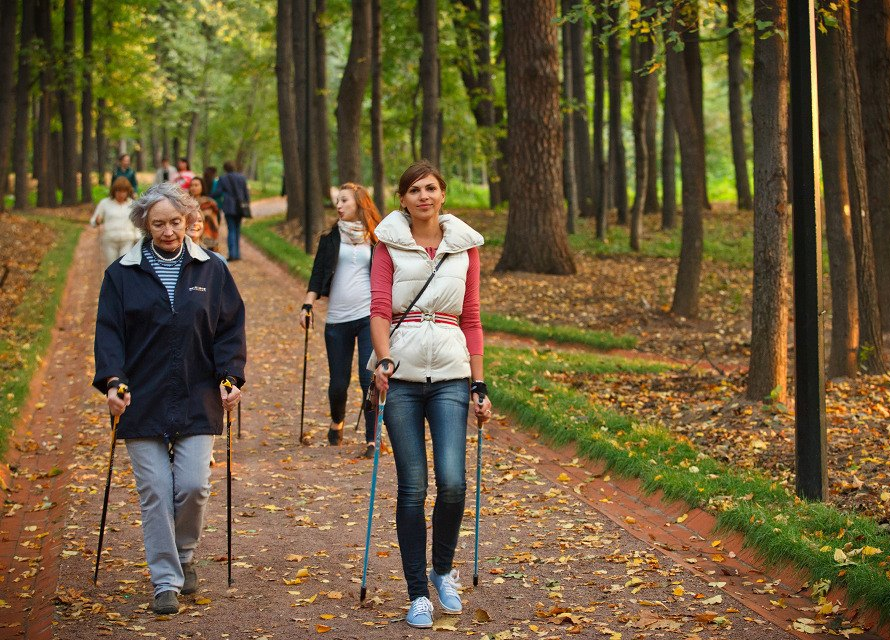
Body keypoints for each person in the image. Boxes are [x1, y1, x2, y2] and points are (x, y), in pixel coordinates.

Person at [92, 183, 246, 615]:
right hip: (140, 396)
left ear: (188, 221)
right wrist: (111, 382)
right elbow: (109, 334)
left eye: (175, 222)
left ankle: (186, 555)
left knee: (194, 486)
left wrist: (231, 375)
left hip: (198, 394)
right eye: (158, 223)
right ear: (144, 224)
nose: (168, 231)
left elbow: (230, 327)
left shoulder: (211, 269)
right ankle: (165, 580)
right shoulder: (121, 274)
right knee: (156, 490)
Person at [369, 161, 492, 628]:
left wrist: (479, 384)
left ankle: (443, 571)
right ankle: (417, 593)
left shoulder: (464, 249)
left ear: (443, 195)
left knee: (454, 481)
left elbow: (473, 319)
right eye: (414, 190)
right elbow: (380, 308)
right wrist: (383, 358)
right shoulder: (388, 246)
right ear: (403, 199)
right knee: (413, 487)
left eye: (431, 188)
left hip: (451, 376)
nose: (423, 196)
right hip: (400, 378)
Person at [300, 183, 381, 457]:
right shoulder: (330, 238)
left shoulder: (376, 237)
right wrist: (307, 304)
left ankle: (372, 438)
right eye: (337, 201)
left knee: (368, 377)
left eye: (344, 200)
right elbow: (317, 274)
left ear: (359, 203)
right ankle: (337, 421)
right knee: (338, 383)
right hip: (337, 319)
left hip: (368, 316)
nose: (339, 206)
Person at [89, 177, 141, 266]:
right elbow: (93, 222)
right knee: (111, 266)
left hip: (127, 240)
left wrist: (138, 237)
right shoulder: (105, 203)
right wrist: (97, 221)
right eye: (118, 191)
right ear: (114, 191)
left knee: (125, 266)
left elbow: (137, 223)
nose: (121, 194)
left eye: (124, 191)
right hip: (110, 240)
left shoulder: (132, 204)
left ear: (128, 192)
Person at [218, 161, 250, 261]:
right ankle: (237, 254)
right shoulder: (242, 177)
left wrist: (209, 195)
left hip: (229, 207)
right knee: (237, 229)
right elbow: (246, 193)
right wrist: (247, 205)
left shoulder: (223, 178)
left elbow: (218, 192)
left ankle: (232, 254)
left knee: (231, 229)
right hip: (240, 207)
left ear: (225, 168)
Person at [188, 177, 220, 251]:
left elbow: (215, 222)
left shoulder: (209, 203)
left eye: (196, 185)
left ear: (202, 186)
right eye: (191, 185)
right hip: (191, 236)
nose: (193, 188)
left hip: (208, 235)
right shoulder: (186, 203)